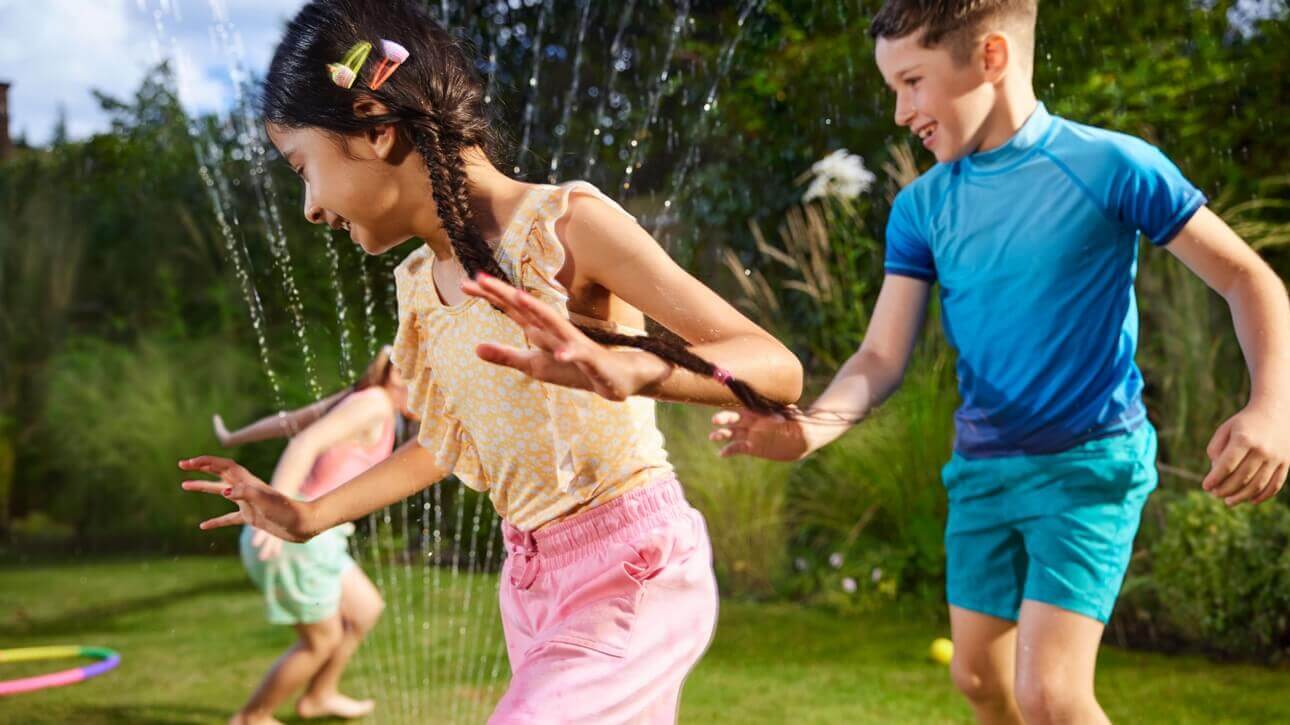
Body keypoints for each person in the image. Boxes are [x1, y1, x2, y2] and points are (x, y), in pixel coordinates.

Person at [180, 1, 803, 722]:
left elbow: (774, 366)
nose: (311, 207)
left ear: (376, 128)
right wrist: (311, 513)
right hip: (533, 584)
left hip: (632, 567)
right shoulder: (417, 286)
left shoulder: (563, 227)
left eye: (303, 168)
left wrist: (646, 370)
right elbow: (448, 443)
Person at [710, 2, 1290, 723]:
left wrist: (1271, 406)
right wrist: (811, 428)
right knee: (982, 682)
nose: (900, 111)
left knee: (1050, 692)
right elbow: (881, 353)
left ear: (990, 58)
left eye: (913, 82)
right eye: (894, 88)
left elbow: (1247, 278)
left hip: (1090, 466)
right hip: (982, 470)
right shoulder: (921, 208)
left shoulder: (1108, 166)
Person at [217, 347, 411, 725]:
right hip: (296, 535)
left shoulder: (361, 400)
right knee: (321, 640)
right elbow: (303, 442)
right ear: (401, 377)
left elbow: (292, 423)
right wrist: (278, 513)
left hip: (320, 536)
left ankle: (320, 696)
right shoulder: (373, 404)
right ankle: (251, 718)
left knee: (365, 609)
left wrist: (234, 437)